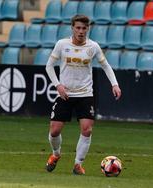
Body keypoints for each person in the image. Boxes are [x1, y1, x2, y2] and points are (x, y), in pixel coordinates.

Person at [45, 15, 121, 175]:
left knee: (87, 130)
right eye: (78, 28)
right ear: (72, 28)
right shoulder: (62, 44)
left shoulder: (93, 47)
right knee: (54, 131)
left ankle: (78, 164)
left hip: (85, 94)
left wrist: (114, 84)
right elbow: (49, 66)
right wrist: (58, 85)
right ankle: (56, 154)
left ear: (88, 29)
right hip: (65, 94)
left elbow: (106, 66)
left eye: (84, 28)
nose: (81, 31)